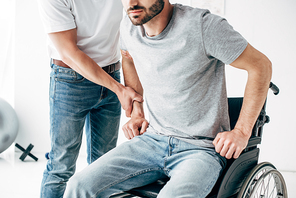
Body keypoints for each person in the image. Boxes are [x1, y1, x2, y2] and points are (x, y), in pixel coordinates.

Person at [63, 0, 272, 197]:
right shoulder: (129, 26)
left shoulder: (203, 26)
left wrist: (242, 132)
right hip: (151, 140)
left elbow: (261, 66)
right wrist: (137, 112)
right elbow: (127, 57)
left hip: (200, 149)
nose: (131, 3)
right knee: (79, 186)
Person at [38, 0, 143, 197]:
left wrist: (136, 103)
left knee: (103, 166)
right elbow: (69, 53)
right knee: (61, 167)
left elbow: (130, 44)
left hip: (113, 74)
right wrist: (119, 90)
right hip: (70, 81)